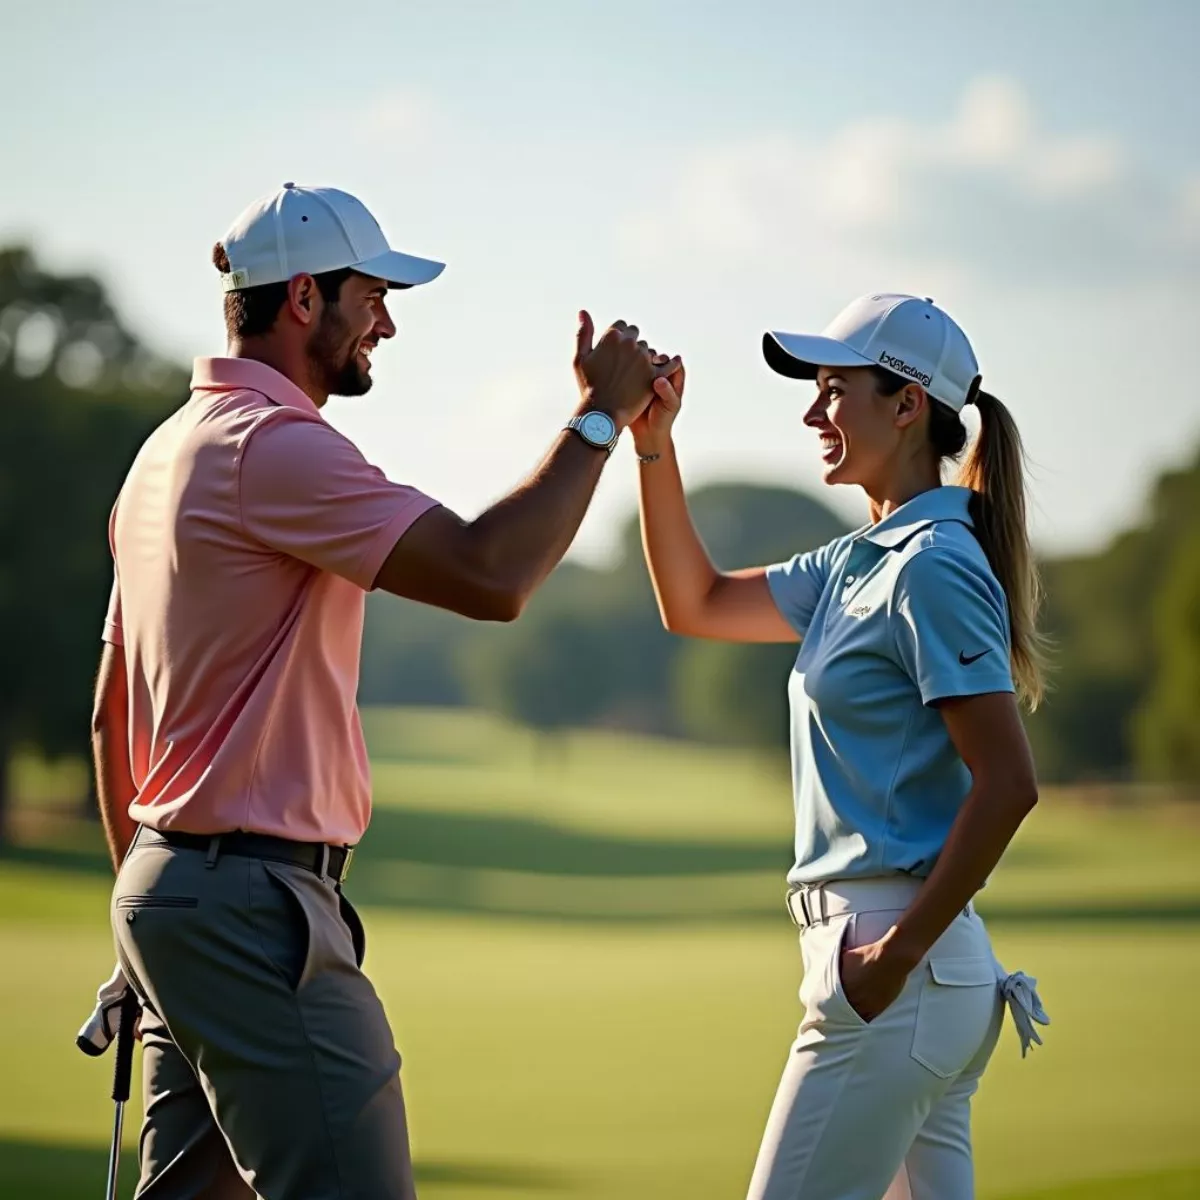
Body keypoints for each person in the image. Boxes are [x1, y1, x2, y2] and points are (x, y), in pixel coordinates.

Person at [89, 181, 676, 1200]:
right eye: (374, 296)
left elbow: (109, 717)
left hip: (169, 893)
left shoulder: (162, 455)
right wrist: (597, 418)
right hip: (250, 910)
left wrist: (147, 923)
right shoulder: (272, 448)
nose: (388, 322)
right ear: (307, 298)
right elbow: (492, 576)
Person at [633, 293, 1050, 1200]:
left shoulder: (933, 561)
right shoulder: (859, 559)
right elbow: (693, 603)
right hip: (910, 975)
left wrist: (893, 959)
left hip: (895, 967)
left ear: (907, 407)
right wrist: (653, 443)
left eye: (834, 391)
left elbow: (1008, 782)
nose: (814, 413)